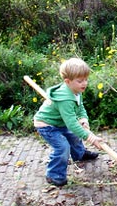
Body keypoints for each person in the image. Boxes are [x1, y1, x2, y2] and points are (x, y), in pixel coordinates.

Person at [34, 58, 104, 186]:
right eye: (80, 81)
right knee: (62, 147)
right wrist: (90, 137)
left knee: (75, 135)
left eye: (86, 79)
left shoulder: (76, 90)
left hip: (60, 122)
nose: (85, 83)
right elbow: (72, 124)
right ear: (67, 81)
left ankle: (80, 154)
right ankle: (54, 175)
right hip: (47, 125)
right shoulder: (65, 99)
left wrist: (83, 119)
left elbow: (80, 107)